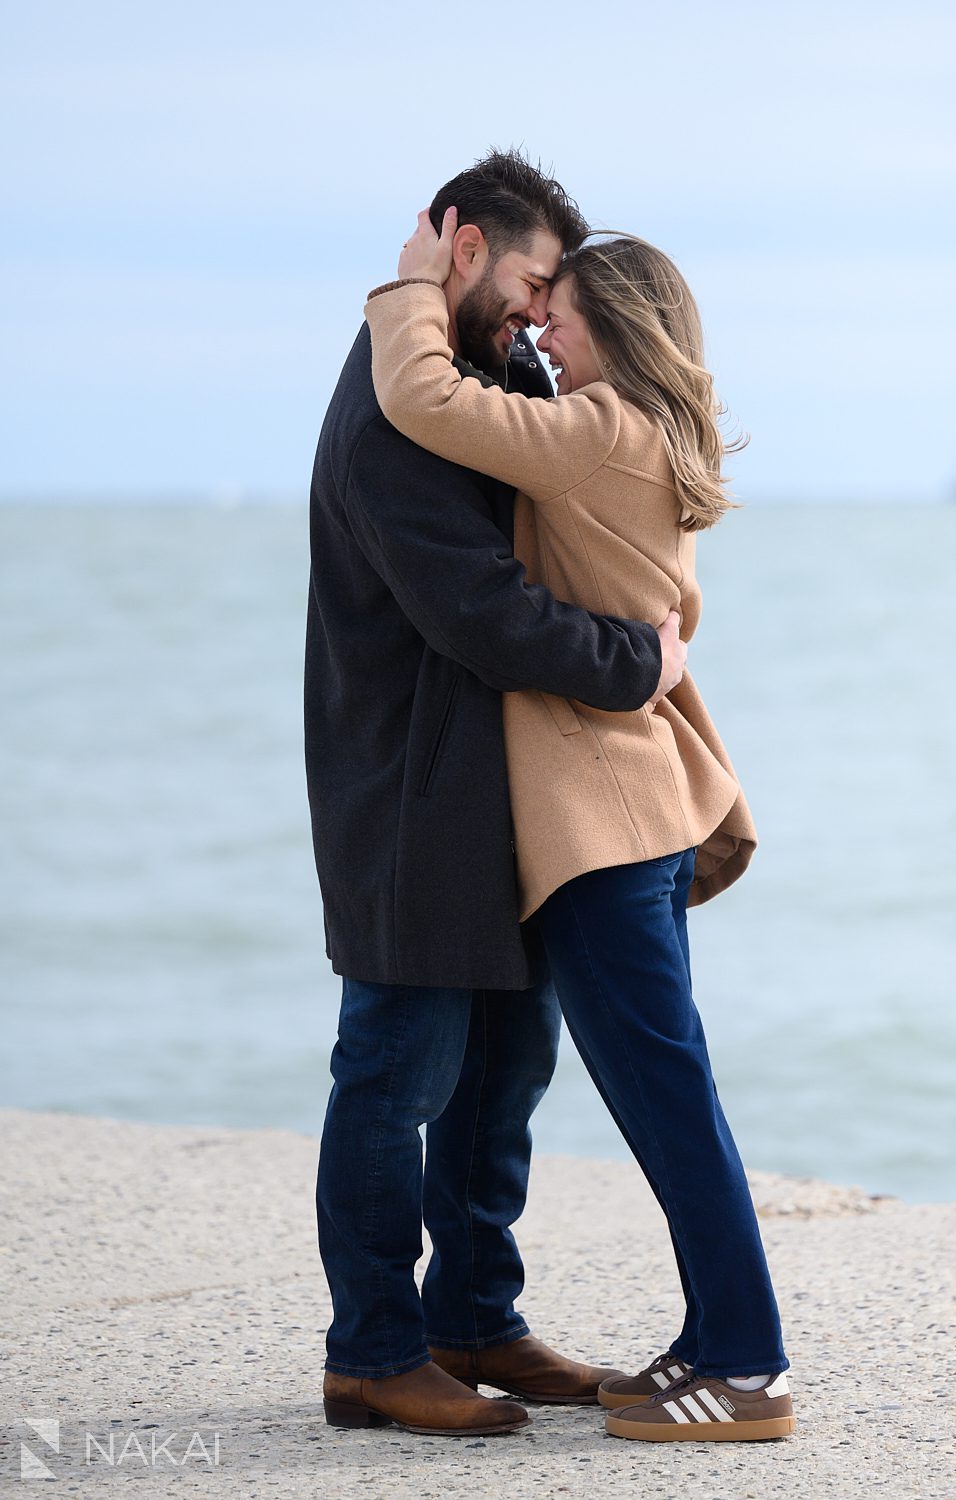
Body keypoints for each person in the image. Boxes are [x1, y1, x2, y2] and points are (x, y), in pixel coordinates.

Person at [362, 208, 796, 1442]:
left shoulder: (599, 432)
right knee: (672, 1093)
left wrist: (407, 292)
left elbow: (432, 407)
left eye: (561, 306)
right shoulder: (657, 431)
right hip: (637, 817)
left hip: (604, 831)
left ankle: (750, 1368)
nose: (540, 320)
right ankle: (713, 1339)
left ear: (618, 323)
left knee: (669, 1102)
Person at [305, 150, 688, 1439]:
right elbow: (484, 611)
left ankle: (476, 1315)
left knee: (506, 1072)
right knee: (394, 1074)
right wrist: (636, 664)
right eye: (529, 280)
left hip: (500, 799)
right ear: (459, 245)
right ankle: (371, 1350)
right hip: (411, 795)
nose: (539, 314)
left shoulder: (484, 380)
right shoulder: (393, 406)